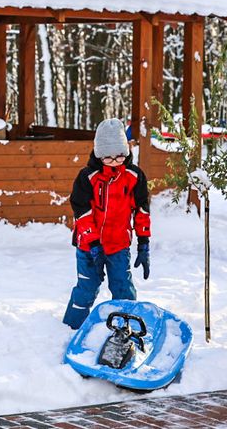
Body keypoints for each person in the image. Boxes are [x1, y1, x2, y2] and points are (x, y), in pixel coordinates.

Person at [62, 118, 151, 329]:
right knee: (87, 287)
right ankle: (71, 328)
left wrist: (144, 242)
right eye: (108, 157)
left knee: (123, 288)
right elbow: (82, 213)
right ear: (99, 154)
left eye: (120, 156)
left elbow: (142, 210)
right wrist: (93, 245)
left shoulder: (134, 176)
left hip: (118, 244)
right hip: (88, 246)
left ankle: (127, 328)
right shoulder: (87, 177)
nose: (114, 161)